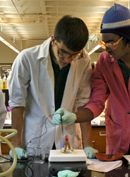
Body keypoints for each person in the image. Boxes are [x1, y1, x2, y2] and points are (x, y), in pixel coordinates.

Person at [53, 4, 130, 155]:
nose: (106, 48)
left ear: (129, 37)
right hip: (119, 145)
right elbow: (97, 102)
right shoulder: (104, 62)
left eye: (111, 42)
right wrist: (74, 116)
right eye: (104, 42)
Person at [9, 15, 98, 160]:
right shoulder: (27, 59)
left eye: (73, 55)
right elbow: (17, 104)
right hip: (36, 140)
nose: (67, 59)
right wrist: (16, 145)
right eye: (62, 52)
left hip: (68, 140)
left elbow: (83, 103)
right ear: (53, 40)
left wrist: (88, 144)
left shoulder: (84, 60)